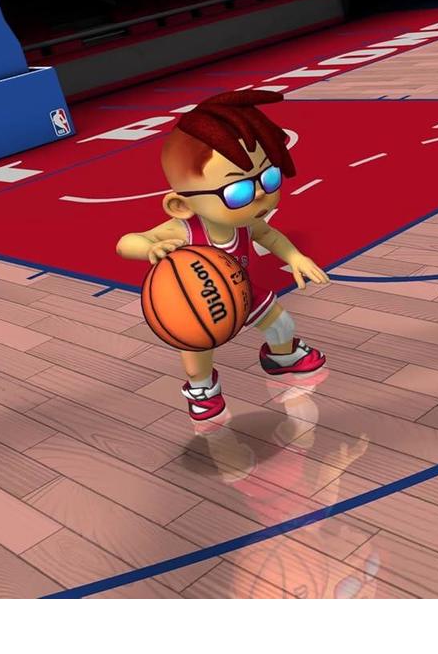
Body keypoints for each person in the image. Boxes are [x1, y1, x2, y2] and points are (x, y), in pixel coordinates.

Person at [116, 90, 329, 424]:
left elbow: (269, 235)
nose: (260, 194)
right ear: (181, 205)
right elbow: (125, 242)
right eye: (238, 191)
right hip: (196, 302)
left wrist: (295, 256)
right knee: (196, 353)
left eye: (269, 177)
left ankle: (281, 358)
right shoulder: (183, 230)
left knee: (282, 324)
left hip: (242, 291)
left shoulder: (245, 222)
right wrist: (148, 249)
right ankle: (202, 390)